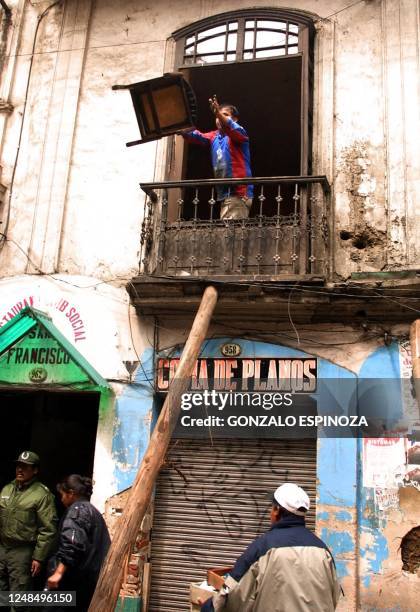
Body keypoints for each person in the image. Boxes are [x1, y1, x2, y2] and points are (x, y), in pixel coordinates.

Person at [200, 483, 341, 612]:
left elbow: (233, 595)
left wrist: (209, 607)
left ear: (276, 511)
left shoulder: (262, 548)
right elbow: (334, 596)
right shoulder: (323, 550)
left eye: (272, 508)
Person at [183, 95, 253, 220]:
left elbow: (231, 129)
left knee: (230, 236)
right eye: (217, 116)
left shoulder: (240, 132)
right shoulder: (214, 136)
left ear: (235, 119)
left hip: (239, 194)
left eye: (225, 114)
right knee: (229, 234)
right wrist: (180, 127)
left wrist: (218, 113)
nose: (219, 118)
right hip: (226, 196)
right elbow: (196, 136)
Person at [47, 475, 110, 612]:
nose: (61, 498)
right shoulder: (94, 512)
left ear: (71, 494)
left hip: (73, 584)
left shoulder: (77, 511)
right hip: (88, 585)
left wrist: (58, 573)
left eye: (62, 494)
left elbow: (72, 543)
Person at [0, 451, 57, 600]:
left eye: (25, 467)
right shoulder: (7, 489)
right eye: (19, 465)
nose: (20, 469)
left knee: (19, 595)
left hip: (23, 551)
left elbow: (48, 530)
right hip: (2, 547)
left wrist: (39, 557)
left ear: (35, 470)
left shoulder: (41, 494)